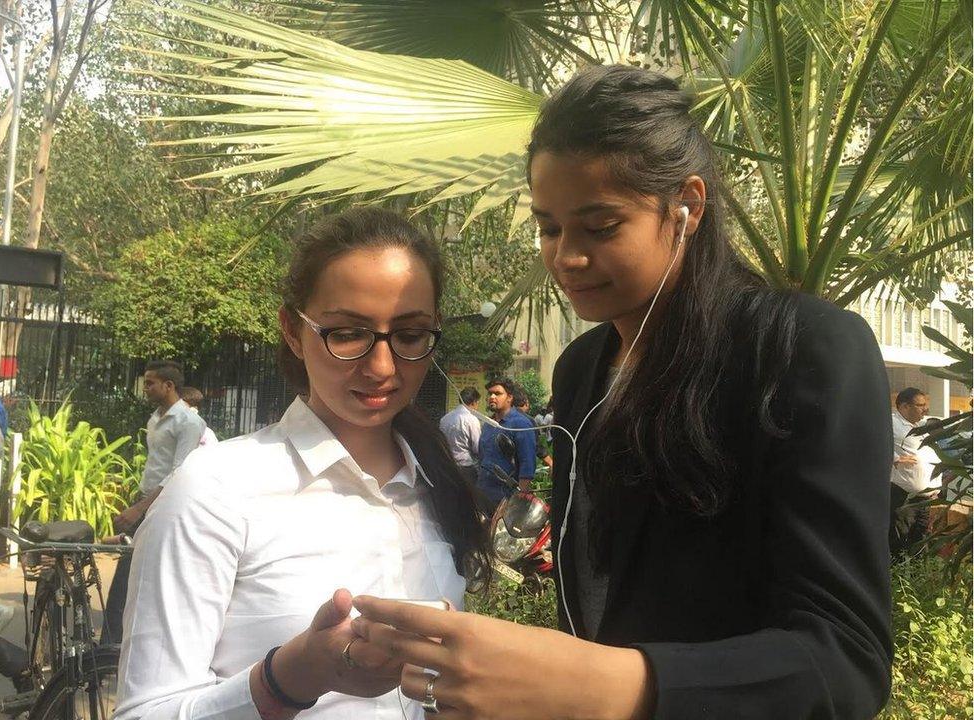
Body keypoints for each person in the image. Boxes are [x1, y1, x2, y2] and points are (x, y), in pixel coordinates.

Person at [351, 65, 892, 720]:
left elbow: (846, 661)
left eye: (600, 226)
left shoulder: (802, 351)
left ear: (687, 206)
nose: (566, 258)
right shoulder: (582, 369)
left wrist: (608, 686)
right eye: (549, 228)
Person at [113, 207, 489, 720]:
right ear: (293, 330)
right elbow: (143, 712)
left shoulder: (434, 486)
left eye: (409, 336)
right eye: (347, 334)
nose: (382, 367)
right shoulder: (215, 490)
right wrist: (289, 678)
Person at [102, 360, 207, 644]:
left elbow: (178, 472)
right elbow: (156, 465)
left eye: (150, 383)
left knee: (136, 572)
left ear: (168, 386)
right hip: (147, 499)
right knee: (133, 569)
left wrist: (140, 508)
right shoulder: (156, 418)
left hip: (165, 505)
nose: (145, 388)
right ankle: (115, 643)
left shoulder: (189, 422)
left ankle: (112, 644)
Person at [889, 387, 937, 556]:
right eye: (920, 405)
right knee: (899, 545)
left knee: (921, 546)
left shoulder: (922, 426)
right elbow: (870, 442)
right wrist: (894, 458)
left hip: (926, 499)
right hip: (903, 498)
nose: (925, 409)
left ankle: (917, 581)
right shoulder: (891, 423)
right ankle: (898, 582)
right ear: (904, 406)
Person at [476, 377, 537, 511]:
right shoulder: (488, 424)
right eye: (490, 394)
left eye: (497, 393)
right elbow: (482, 458)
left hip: (506, 499)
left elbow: (527, 464)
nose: (492, 397)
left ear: (509, 397)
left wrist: (519, 499)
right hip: (484, 495)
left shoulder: (520, 424)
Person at [438, 386, 482, 485]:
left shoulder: (445, 418)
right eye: (477, 403)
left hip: (448, 465)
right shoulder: (472, 420)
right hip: (465, 468)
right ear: (474, 402)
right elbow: (477, 448)